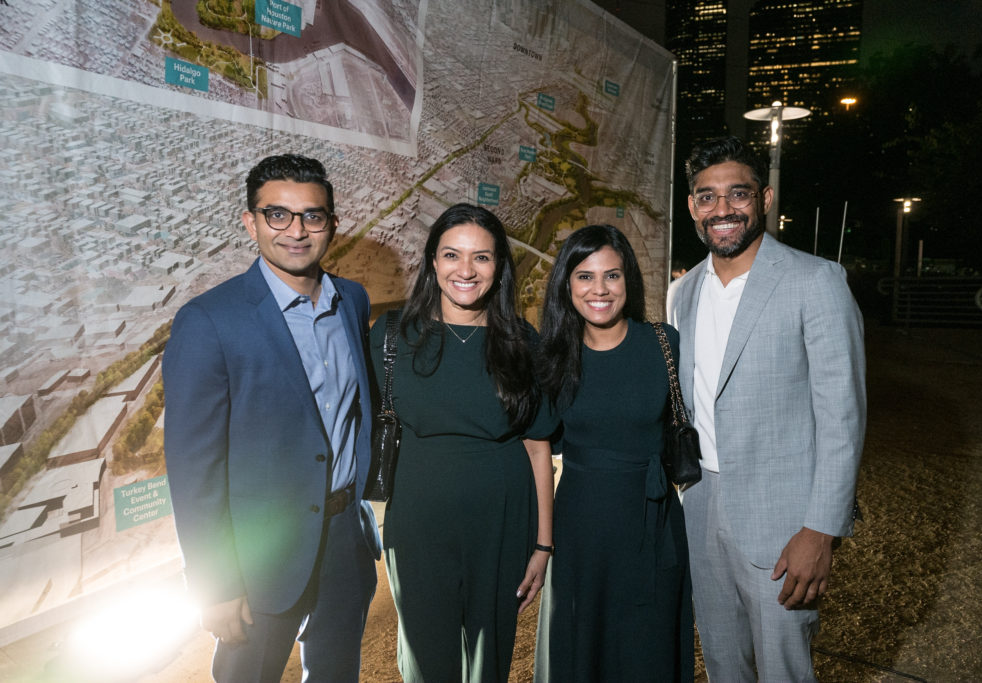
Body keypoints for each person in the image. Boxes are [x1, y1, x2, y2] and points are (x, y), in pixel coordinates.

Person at [163, 154, 380, 682]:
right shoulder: (209, 321)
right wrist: (215, 584)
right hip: (260, 559)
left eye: (313, 215)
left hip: (343, 540)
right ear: (250, 221)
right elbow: (194, 470)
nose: (297, 231)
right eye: (277, 215)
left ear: (332, 222)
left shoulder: (352, 299)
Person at [670, 135, 866, 681]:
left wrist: (821, 531)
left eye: (738, 194)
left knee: (783, 669)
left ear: (766, 198)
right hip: (701, 507)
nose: (722, 209)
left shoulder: (815, 280)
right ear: (692, 206)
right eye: (707, 197)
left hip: (784, 526)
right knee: (723, 663)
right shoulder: (682, 294)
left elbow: (842, 419)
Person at [368, 203, 555, 682]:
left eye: (482, 258)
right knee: (427, 659)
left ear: (499, 267)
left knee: (490, 658)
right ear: (432, 259)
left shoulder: (522, 341)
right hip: (418, 523)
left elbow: (538, 447)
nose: (466, 270)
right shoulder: (391, 336)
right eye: (452, 254)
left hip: (503, 522)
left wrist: (542, 543)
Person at [533, 224, 694, 682]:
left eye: (612, 276)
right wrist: (543, 543)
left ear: (629, 282)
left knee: (649, 647)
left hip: (655, 520)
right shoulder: (552, 357)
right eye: (584, 276)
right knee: (582, 646)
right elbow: (540, 447)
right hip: (582, 527)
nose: (599, 289)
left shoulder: (664, 343)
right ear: (567, 284)